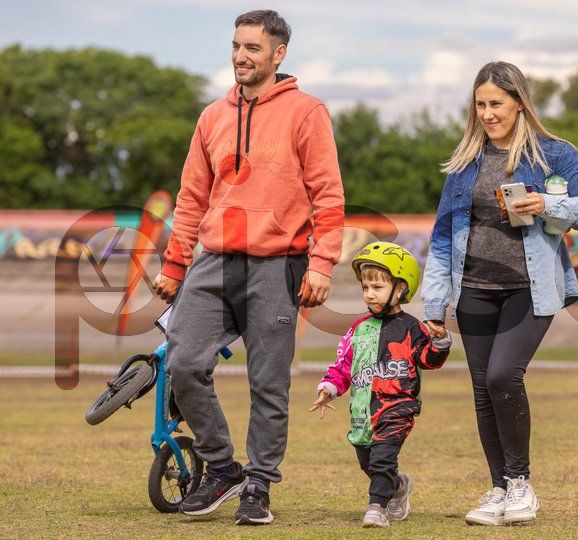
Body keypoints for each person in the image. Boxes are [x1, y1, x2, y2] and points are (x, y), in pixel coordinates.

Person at [150, 10, 344, 525]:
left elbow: (328, 195)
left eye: (252, 48)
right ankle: (222, 468)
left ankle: (258, 484)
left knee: (268, 383)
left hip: (278, 265)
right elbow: (191, 198)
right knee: (183, 364)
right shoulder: (212, 116)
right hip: (213, 262)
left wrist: (322, 263)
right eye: (236, 46)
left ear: (278, 54)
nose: (240, 55)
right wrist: (175, 264)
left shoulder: (307, 112)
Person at [421, 61, 578, 526]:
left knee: (504, 376)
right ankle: (499, 489)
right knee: (484, 390)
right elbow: (442, 238)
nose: (487, 113)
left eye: (496, 104)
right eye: (480, 104)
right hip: (473, 291)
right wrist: (435, 305)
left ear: (519, 102)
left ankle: (521, 484)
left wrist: (549, 204)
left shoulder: (554, 154)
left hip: (530, 289)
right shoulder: (465, 162)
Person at [308, 242, 451, 528]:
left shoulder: (411, 328)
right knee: (369, 462)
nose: (369, 294)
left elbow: (428, 360)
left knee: (383, 458)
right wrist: (328, 389)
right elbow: (343, 366)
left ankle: (376, 507)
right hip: (363, 411)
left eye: (377, 287)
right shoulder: (358, 328)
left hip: (397, 408)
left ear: (399, 290)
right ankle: (397, 486)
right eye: (365, 287)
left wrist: (440, 341)